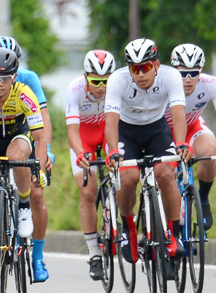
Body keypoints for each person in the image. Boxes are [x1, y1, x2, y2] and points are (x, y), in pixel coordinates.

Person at [104, 38, 190, 278]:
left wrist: (181, 142)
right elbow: (110, 121)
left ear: (156, 66)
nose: (140, 74)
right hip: (127, 131)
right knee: (129, 178)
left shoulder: (171, 77)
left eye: (145, 68)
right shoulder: (117, 80)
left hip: (157, 129)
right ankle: (129, 227)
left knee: (165, 174)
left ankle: (172, 234)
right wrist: (113, 150)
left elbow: (178, 113)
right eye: (134, 69)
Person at [0, 47, 44, 288]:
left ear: (14, 77)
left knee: (17, 156)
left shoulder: (24, 94)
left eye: (5, 78)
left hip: (17, 137)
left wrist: (40, 168)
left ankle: (23, 205)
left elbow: (40, 136)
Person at [166, 43, 216, 229]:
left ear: (201, 71)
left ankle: (203, 199)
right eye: (182, 74)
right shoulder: (162, 85)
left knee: (208, 150)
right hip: (165, 132)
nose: (188, 79)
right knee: (164, 174)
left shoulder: (211, 84)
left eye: (194, 73)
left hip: (192, 126)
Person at [67, 50, 115, 280]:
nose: (102, 87)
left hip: (108, 134)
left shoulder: (118, 88)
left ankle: (120, 224)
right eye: (96, 81)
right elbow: (72, 131)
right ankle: (94, 253)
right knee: (87, 192)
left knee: (126, 175)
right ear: (86, 77)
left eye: (106, 81)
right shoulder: (75, 90)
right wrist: (79, 154)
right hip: (83, 138)